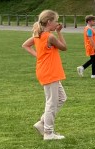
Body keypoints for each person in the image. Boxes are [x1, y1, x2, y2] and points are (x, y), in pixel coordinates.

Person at [21, 9, 68, 140]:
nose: (57, 23)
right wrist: (59, 32)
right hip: (49, 72)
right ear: (49, 22)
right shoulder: (49, 37)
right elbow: (64, 47)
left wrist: (39, 56)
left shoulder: (38, 35)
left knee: (62, 98)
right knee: (51, 103)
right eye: (56, 21)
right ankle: (48, 132)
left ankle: (42, 123)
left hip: (47, 71)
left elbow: (25, 45)